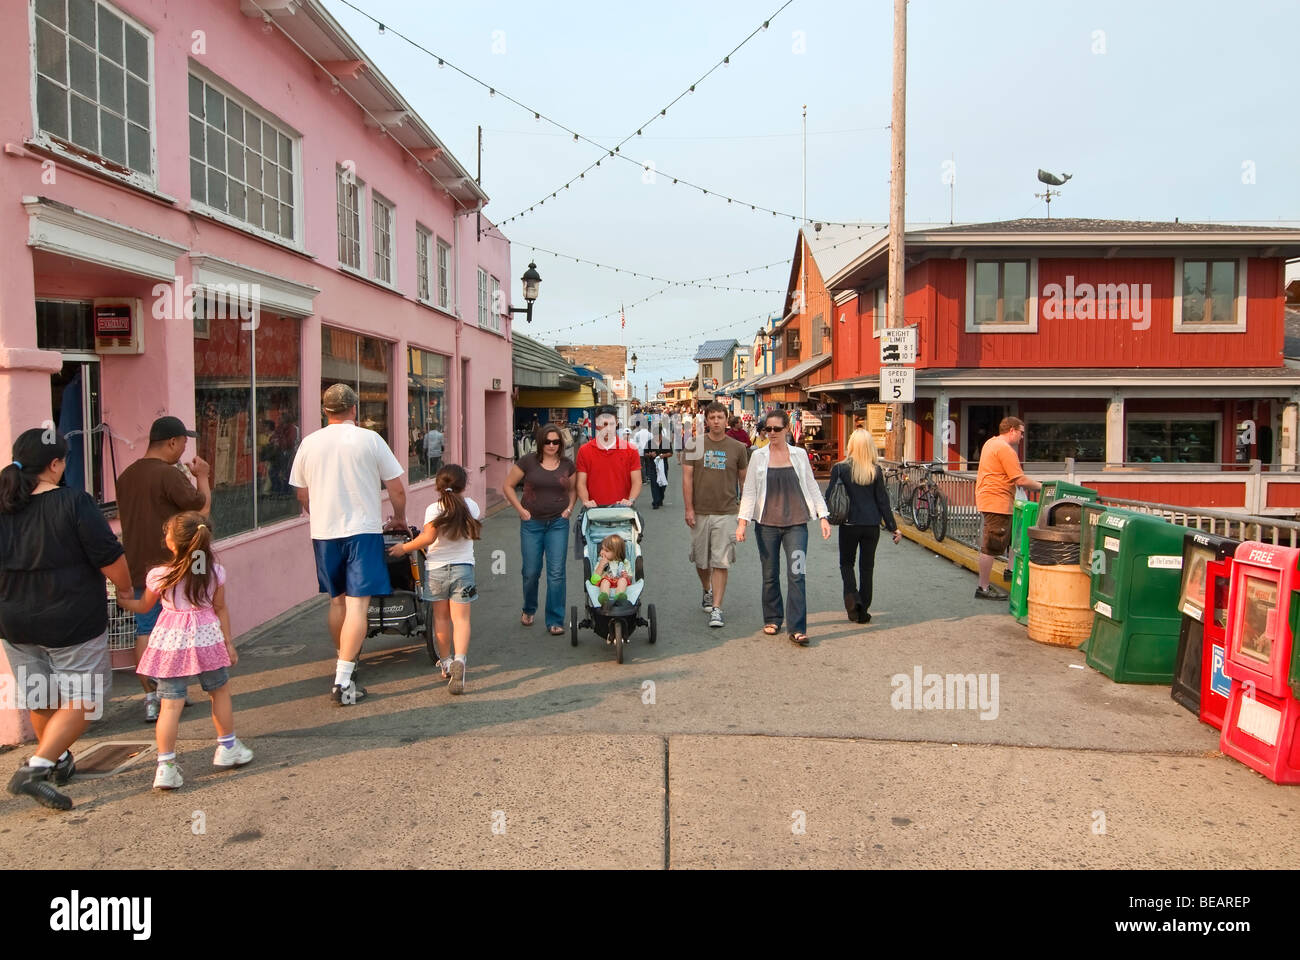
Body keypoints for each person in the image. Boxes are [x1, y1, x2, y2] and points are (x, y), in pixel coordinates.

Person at [0, 429, 132, 811]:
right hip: (69, 619)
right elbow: (109, 557)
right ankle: (35, 768)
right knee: (88, 699)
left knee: (41, 695)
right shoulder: (74, 502)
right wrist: (124, 591)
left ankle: (57, 761)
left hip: (14, 621)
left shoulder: (5, 504)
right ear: (55, 465)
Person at [290, 383, 407, 704]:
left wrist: (320, 514)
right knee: (359, 604)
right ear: (354, 409)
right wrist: (399, 517)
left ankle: (345, 661)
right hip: (362, 531)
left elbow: (302, 495)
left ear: (325, 411)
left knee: (337, 601)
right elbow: (396, 488)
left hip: (325, 533)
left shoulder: (309, 443)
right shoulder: (370, 439)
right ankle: (343, 678)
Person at [117, 511, 250, 790]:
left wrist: (125, 601)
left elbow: (143, 607)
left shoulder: (159, 575)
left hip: (171, 642)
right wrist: (228, 642)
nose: (164, 537)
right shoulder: (213, 571)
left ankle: (165, 767)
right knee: (219, 692)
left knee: (170, 704)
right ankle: (227, 747)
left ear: (173, 543)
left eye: (167, 533)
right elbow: (220, 608)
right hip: (207, 637)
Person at [116, 415, 212, 723]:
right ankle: (175, 691)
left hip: (139, 566)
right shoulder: (168, 475)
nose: (185, 449)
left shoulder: (127, 476)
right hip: (175, 565)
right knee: (182, 629)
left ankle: (151, 698)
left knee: (146, 629)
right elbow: (201, 511)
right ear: (171, 442)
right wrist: (203, 477)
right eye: (183, 442)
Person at [737, 409, 831, 646]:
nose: (771, 433)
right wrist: (742, 523)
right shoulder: (758, 456)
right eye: (767, 429)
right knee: (770, 575)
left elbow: (811, 485)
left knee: (797, 574)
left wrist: (823, 516)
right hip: (766, 525)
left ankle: (798, 627)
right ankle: (772, 618)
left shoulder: (799, 455)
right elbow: (749, 491)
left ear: (787, 430)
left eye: (776, 429)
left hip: (796, 526)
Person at [390, 464, 480, 693]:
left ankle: (447, 662)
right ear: (463, 484)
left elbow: (428, 538)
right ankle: (461, 660)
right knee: (461, 620)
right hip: (463, 568)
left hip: (437, 569)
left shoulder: (433, 509)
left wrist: (404, 548)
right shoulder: (471, 507)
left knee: (441, 620)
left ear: (438, 485)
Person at [503, 423, 575, 635]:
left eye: (556, 442)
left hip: (558, 523)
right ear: (540, 442)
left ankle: (555, 619)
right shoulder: (528, 462)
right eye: (547, 441)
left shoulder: (567, 464)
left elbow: (574, 489)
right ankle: (529, 607)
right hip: (531, 523)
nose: (551, 445)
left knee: (556, 572)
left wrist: (570, 508)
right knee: (531, 571)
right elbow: (507, 486)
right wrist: (520, 509)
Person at [683, 401, 749, 628]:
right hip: (700, 511)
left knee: (721, 561)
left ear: (726, 419)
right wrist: (689, 508)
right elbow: (687, 478)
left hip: (727, 511)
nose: (716, 421)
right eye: (712, 418)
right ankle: (706, 589)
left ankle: (718, 608)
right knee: (702, 561)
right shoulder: (694, 445)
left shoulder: (738, 448)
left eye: (720, 417)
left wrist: (744, 513)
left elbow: (744, 480)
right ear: (706, 420)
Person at [827, 428, 901, 624]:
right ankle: (864, 610)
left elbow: (829, 496)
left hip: (849, 524)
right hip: (871, 525)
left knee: (846, 564)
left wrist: (824, 518)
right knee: (867, 568)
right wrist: (894, 527)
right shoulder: (875, 470)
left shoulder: (840, 469)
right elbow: (882, 500)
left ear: (851, 445)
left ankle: (853, 600)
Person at [974, 416, 1041, 600]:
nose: (1022, 437)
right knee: (991, 546)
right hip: (999, 502)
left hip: (989, 499)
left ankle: (1010, 571)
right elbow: (1019, 479)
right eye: (1021, 432)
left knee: (1014, 539)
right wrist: (1043, 486)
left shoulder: (991, 443)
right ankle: (983, 588)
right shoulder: (1006, 450)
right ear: (1012, 430)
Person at [576, 407, 642, 508]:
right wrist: (586, 501)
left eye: (611, 424)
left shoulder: (631, 450)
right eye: (604, 424)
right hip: (594, 509)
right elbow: (581, 482)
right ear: (597, 424)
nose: (608, 428)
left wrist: (631, 500)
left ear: (616, 423)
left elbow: (637, 481)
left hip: (622, 508)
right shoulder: (584, 451)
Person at [591, 534, 632, 605]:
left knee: (623, 580)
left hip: (619, 580)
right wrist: (601, 566)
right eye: (602, 549)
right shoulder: (600, 562)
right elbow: (594, 580)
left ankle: (619, 596)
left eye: (606, 550)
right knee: (604, 581)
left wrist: (626, 576)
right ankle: (604, 597)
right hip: (607, 580)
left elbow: (631, 578)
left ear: (616, 553)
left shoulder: (624, 562)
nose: (602, 552)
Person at [645, 415, 674, 509]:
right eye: (654, 435)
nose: (656, 437)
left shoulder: (666, 442)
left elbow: (670, 453)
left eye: (658, 435)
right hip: (652, 466)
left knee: (662, 484)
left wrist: (663, 456)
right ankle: (655, 502)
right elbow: (645, 454)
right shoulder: (649, 442)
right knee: (654, 483)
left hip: (663, 466)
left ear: (661, 434)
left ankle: (661, 497)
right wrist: (650, 454)